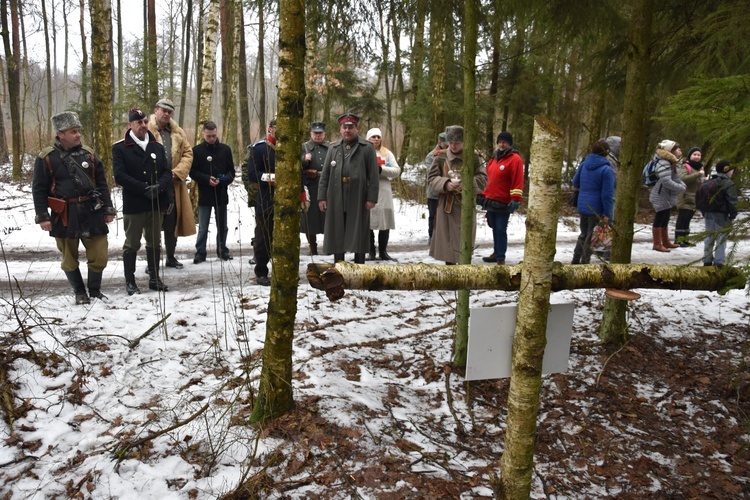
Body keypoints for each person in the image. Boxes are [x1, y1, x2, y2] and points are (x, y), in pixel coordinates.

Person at [31, 111, 116, 304]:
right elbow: (38, 189)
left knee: (100, 254)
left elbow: (102, 183)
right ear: (61, 134)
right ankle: (79, 292)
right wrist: (43, 215)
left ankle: (94, 292)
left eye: (78, 131)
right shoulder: (46, 157)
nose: (78, 135)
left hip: (91, 210)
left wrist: (108, 208)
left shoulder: (89, 154)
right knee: (69, 258)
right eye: (73, 132)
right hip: (64, 214)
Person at [113, 108, 172, 295]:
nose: (143, 126)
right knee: (132, 243)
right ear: (130, 125)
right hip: (135, 203)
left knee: (154, 241)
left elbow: (165, 172)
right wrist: (143, 188)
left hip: (154, 202)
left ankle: (155, 278)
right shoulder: (120, 148)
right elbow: (120, 176)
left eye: (145, 122)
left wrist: (159, 189)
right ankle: (130, 281)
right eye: (139, 123)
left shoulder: (157, 146)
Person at [318, 113, 379, 264]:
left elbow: (373, 175)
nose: (347, 130)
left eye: (350, 127)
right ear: (340, 129)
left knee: (359, 230)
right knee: (337, 229)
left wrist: (371, 198)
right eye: (344, 127)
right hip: (336, 195)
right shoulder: (333, 148)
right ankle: (339, 265)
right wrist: (322, 197)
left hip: (358, 196)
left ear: (356, 128)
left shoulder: (367, 148)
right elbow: (325, 174)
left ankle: (359, 266)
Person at [427, 125, 487, 265]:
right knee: (448, 247)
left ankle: (463, 278)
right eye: (451, 142)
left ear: (464, 142)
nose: (453, 146)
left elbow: (483, 180)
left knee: (463, 244)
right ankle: (450, 278)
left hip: (465, 206)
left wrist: (466, 184)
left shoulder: (474, 158)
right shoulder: (441, 157)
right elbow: (431, 178)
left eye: (457, 143)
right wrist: (446, 184)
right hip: (446, 207)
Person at [147, 97, 196, 269]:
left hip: (173, 184)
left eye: (169, 112)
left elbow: (188, 154)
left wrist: (178, 172)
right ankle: (151, 260)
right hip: (152, 185)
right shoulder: (146, 131)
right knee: (152, 224)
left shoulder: (178, 132)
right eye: (163, 110)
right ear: (156, 110)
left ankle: (170, 256)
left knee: (171, 222)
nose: (166, 114)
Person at [190, 121, 235, 263]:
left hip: (221, 193)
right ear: (203, 134)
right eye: (209, 136)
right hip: (205, 193)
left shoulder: (225, 150)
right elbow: (193, 172)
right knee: (203, 226)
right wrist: (206, 179)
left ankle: (222, 249)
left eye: (214, 136)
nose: (212, 139)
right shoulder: (197, 151)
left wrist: (226, 179)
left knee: (222, 225)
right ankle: (200, 252)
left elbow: (231, 171)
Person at [478, 131, 524, 265]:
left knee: (500, 228)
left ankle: (500, 257)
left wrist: (515, 198)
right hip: (491, 199)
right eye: (499, 142)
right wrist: (482, 194)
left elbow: (518, 180)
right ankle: (496, 252)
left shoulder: (515, 159)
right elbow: (488, 178)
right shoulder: (493, 159)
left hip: (504, 201)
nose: (501, 145)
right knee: (492, 225)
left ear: (509, 144)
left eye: (504, 142)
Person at [571, 139, 615, 264]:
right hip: (596, 208)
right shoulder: (606, 170)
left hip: (582, 204)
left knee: (584, 234)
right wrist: (608, 212)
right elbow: (607, 194)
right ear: (606, 153)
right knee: (591, 237)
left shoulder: (584, 164)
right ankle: (585, 263)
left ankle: (575, 260)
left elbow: (575, 182)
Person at [244, 119, 277, 286]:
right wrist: (274, 178)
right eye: (276, 128)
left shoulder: (291, 148)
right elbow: (252, 174)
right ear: (269, 129)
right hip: (266, 199)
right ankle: (262, 272)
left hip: (286, 203)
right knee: (263, 238)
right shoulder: (259, 149)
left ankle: (282, 271)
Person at [365, 127, 401, 261]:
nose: (376, 139)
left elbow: (396, 170)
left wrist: (381, 169)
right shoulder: (363, 152)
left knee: (384, 220)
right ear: (368, 139)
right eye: (373, 137)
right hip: (367, 190)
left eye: (378, 137)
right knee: (368, 221)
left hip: (384, 190)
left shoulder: (387, 153)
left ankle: (383, 251)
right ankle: (370, 252)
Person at [649, 140, 686, 252]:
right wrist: (680, 187)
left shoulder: (672, 162)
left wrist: (682, 185)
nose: (680, 151)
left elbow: (676, 178)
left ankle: (665, 242)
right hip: (660, 194)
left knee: (665, 217)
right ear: (671, 150)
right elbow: (666, 180)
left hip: (667, 194)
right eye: (677, 149)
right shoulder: (664, 162)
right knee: (660, 218)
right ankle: (657, 243)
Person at [300, 121, 329, 255]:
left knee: (328, 217)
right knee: (310, 218)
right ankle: (313, 248)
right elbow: (294, 165)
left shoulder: (330, 147)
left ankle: (330, 247)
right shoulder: (304, 147)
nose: (318, 136)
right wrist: (304, 160)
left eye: (320, 133)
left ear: (324, 134)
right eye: (315, 133)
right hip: (310, 186)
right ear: (311, 133)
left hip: (327, 185)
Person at [702, 160, 738, 267]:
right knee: (721, 238)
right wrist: (733, 214)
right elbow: (732, 200)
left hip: (708, 213)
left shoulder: (709, 182)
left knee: (709, 236)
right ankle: (719, 262)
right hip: (722, 214)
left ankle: (707, 260)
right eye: (731, 170)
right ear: (726, 170)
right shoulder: (728, 183)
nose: (732, 172)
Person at [674, 146, 705, 246]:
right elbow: (683, 178)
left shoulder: (699, 167)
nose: (697, 157)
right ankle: (678, 240)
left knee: (687, 219)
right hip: (685, 196)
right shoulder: (685, 166)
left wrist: (704, 180)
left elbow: (698, 181)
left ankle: (685, 239)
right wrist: (698, 174)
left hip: (694, 197)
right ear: (690, 156)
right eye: (694, 154)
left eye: (699, 155)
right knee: (682, 219)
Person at [424, 132, 448, 243]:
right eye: (446, 143)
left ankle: (444, 236)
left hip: (448, 191)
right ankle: (432, 236)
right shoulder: (431, 156)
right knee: (433, 215)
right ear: (439, 142)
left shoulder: (451, 153)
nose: (448, 145)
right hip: (434, 191)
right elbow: (432, 174)